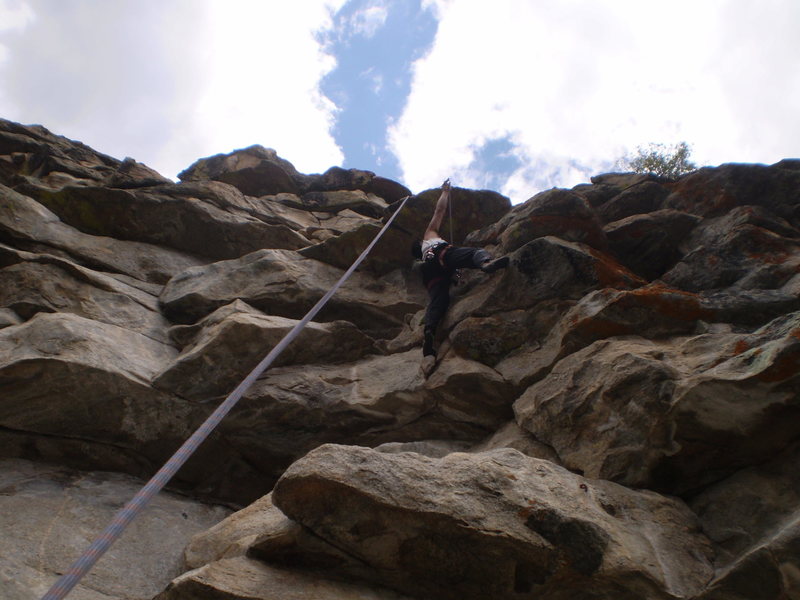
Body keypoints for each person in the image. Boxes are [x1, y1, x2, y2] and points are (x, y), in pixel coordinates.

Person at [411, 179, 509, 368]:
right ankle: (487, 264)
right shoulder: (430, 234)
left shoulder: (424, 254)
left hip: (432, 272)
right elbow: (439, 211)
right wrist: (445, 192)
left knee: (438, 301)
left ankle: (430, 333)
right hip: (442, 254)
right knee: (473, 253)